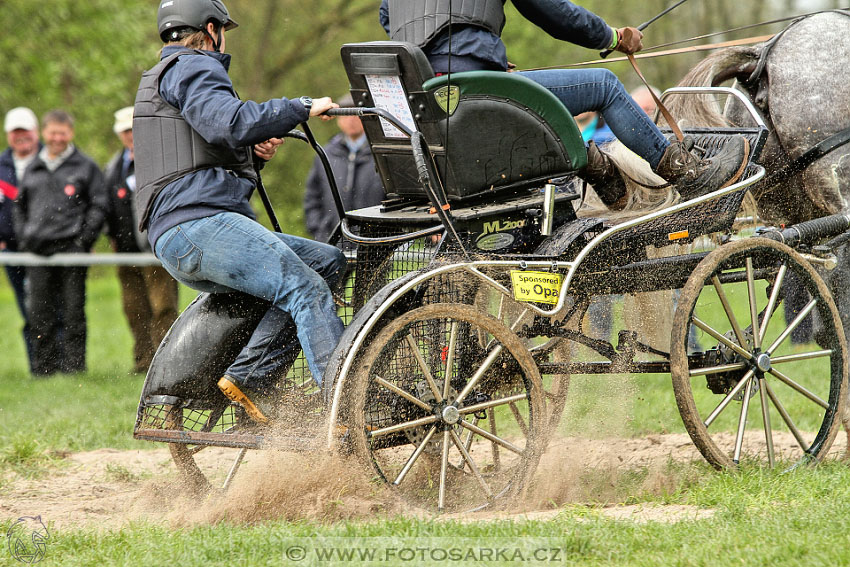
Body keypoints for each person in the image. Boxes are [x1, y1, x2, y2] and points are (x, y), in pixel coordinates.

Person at [134, 0, 344, 423]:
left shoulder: (162, 76)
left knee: (326, 262)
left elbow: (203, 150)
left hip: (181, 235)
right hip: (201, 225)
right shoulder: (195, 65)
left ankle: (251, 376)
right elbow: (227, 123)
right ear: (211, 29)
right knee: (307, 289)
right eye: (223, 30)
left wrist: (253, 152)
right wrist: (300, 107)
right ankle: (348, 407)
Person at [379, 0, 750, 207]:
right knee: (604, 85)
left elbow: (388, 18)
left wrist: (471, 52)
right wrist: (612, 36)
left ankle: (601, 172)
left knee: (549, 110)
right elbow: (553, 11)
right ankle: (687, 174)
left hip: (429, 100)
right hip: (477, 95)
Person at [13, 110, 107, 376]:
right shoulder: (34, 165)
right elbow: (19, 207)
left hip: (71, 252)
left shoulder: (85, 166)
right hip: (37, 253)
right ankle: (44, 370)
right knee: (39, 315)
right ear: (44, 133)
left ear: (70, 133)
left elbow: (99, 205)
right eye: (52, 132)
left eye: (62, 133)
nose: (57, 138)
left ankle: (74, 369)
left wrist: (83, 239)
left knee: (73, 312)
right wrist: (25, 237)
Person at [103, 106, 179, 373]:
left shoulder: (158, 159)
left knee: (163, 307)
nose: (130, 135)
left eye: (133, 129)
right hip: (125, 252)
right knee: (134, 309)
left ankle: (167, 362)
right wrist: (110, 235)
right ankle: (143, 361)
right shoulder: (114, 167)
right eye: (125, 131)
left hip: (155, 249)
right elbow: (106, 205)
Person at [303, 94, 385, 243]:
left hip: (375, 243)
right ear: (338, 119)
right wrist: (319, 229)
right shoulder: (325, 154)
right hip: (332, 240)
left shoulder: (381, 153)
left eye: (354, 115)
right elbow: (312, 196)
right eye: (345, 115)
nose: (350, 120)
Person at [0, 107, 40, 367]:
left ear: (35, 133)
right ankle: (37, 366)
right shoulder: (1, 167)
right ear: (8, 135)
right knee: (27, 310)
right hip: (11, 250)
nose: (21, 136)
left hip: (44, 249)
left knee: (51, 309)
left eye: (25, 131)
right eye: (16, 132)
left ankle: (62, 367)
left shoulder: (49, 161)